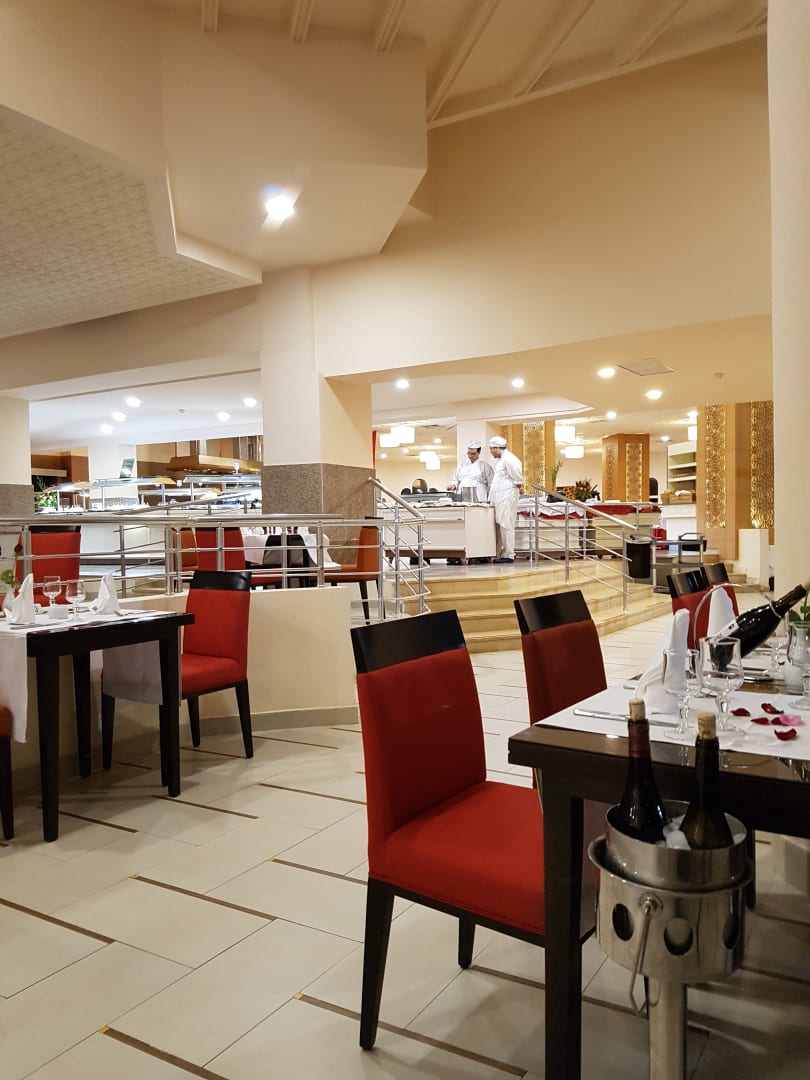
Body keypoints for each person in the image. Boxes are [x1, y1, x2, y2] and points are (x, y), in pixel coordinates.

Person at [488, 435, 524, 563]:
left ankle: (509, 554)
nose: (491, 452)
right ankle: (502, 552)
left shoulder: (509, 459)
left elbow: (517, 476)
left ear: (497, 448)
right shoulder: (501, 460)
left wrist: (520, 486)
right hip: (500, 496)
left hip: (507, 496)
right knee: (501, 524)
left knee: (506, 524)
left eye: (491, 449)